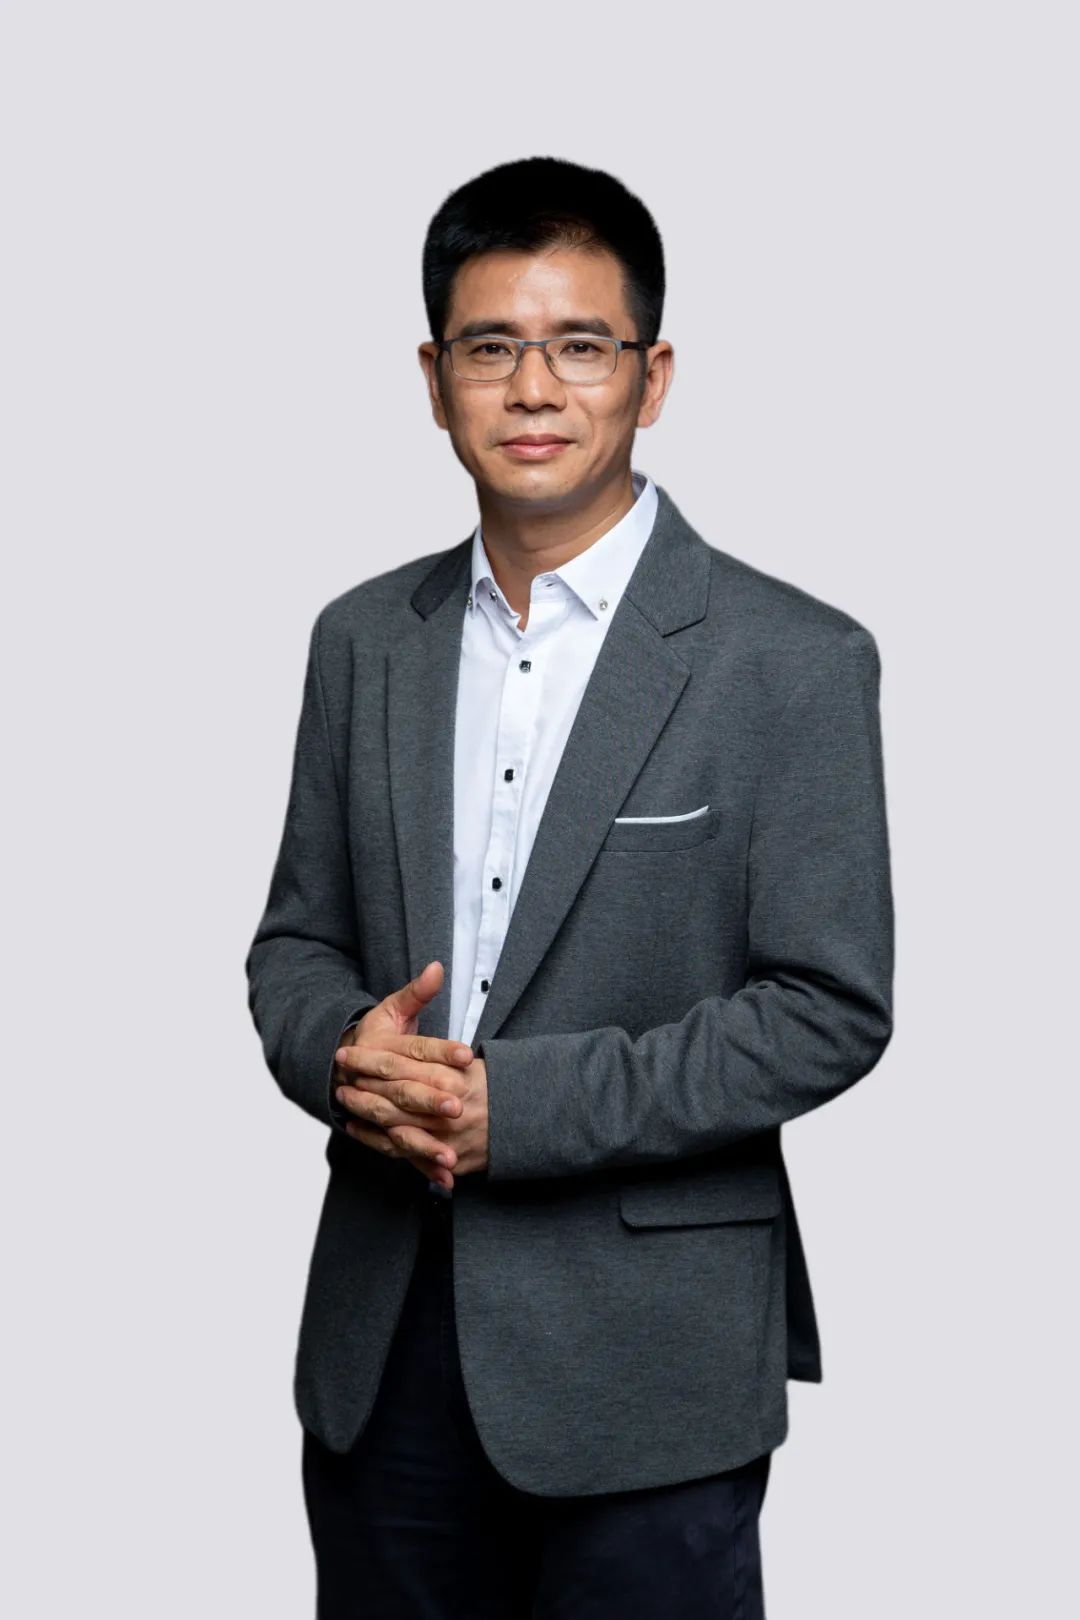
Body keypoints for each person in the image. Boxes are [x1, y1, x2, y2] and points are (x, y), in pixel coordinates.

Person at [245, 154, 894, 1619]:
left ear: (651, 378)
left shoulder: (792, 660)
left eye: (580, 346)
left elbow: (829, 1008)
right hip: (384, 1338)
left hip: (648, 1363)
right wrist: (342, 1052)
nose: (533, 388)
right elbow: (294, 941)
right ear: (434, 381)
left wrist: (517, 1109)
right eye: (490, 347)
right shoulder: (363, 639)